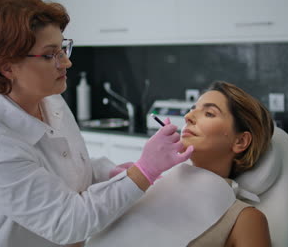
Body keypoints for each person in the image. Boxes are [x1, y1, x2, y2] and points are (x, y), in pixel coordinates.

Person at [0, 0, 193, 247]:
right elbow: (69, 222)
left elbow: (68, 164)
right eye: (50, 54)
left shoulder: (48, 98)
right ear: (7, 67)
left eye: (63, 48)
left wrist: (109, 173)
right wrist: (143, 171)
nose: (67, 62)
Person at [87, 81, 273, 247]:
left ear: (240, 141)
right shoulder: (146, 187)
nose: (188, 117)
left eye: (209, 113)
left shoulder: (245, 219)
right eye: (192, 109)